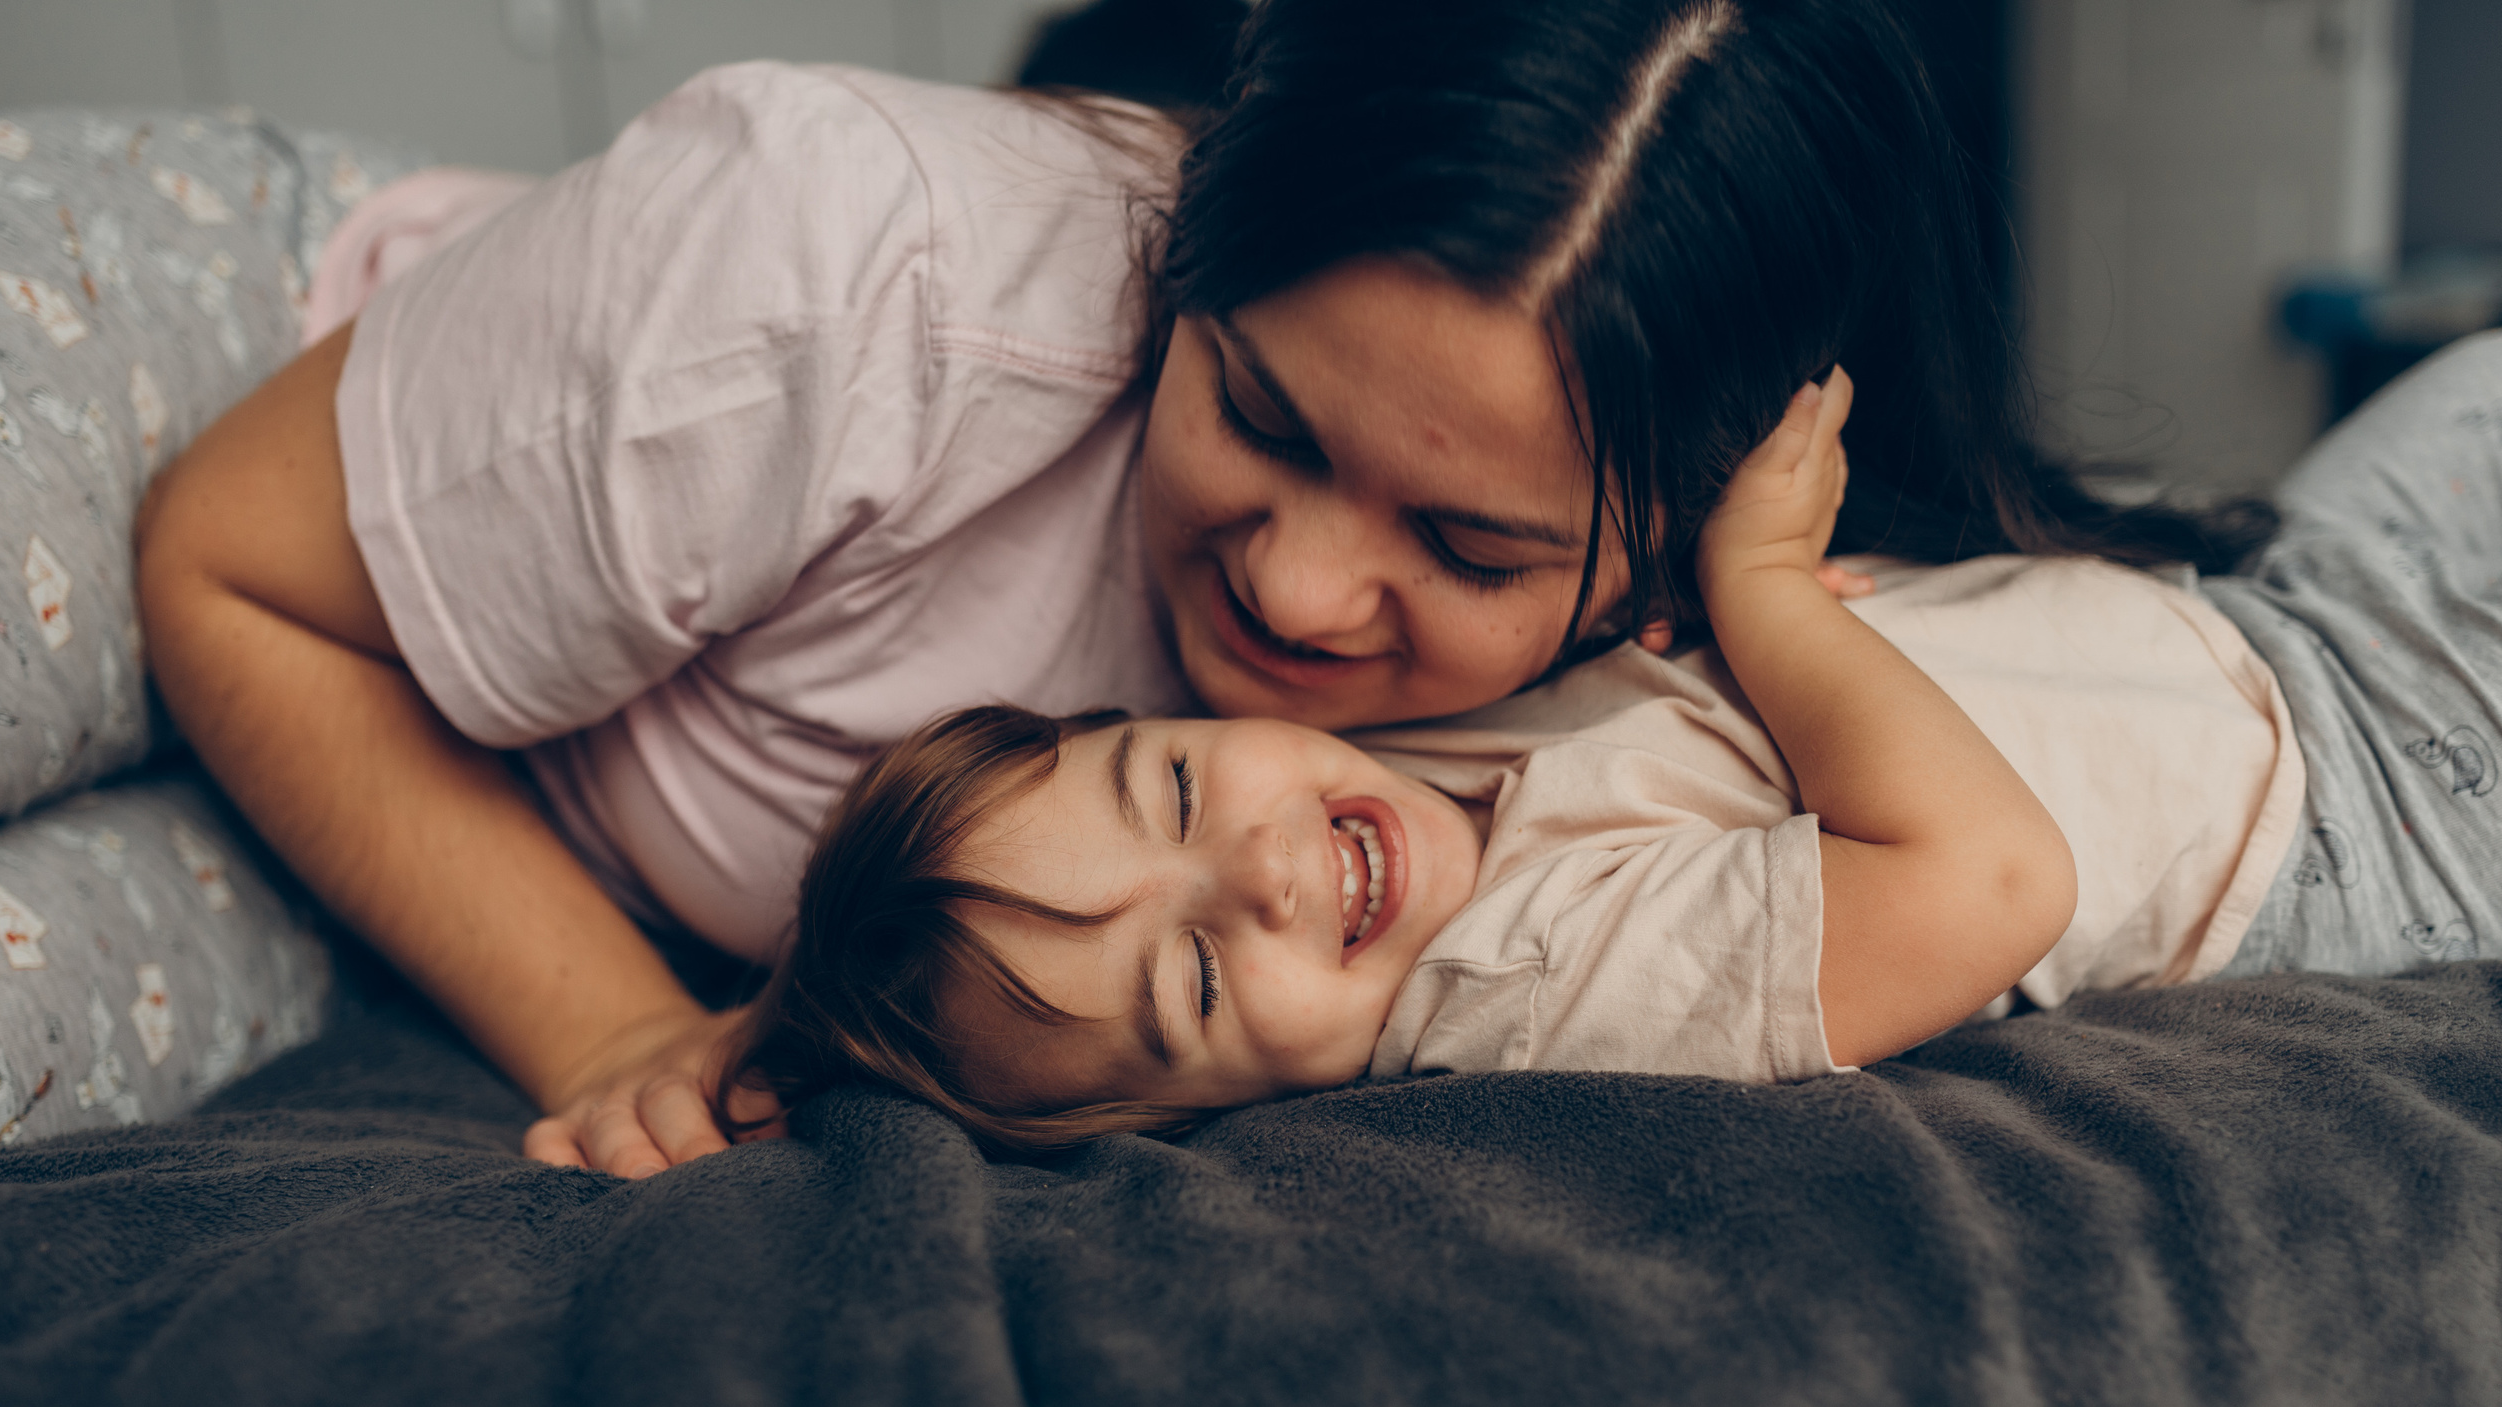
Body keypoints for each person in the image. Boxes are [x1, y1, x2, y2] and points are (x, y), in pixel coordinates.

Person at [133, 0, 2256, 1180]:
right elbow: (235, 566)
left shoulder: (1703, 656)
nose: (1307, 600)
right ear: (1197, 254)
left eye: (1472, 550)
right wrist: (616, 1028)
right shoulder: (829, 280)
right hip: (462, 426)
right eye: (1261, 416)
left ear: (1676, 554)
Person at [726, 338, 2502, 1152]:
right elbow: (1992, 879)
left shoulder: (1406, 753)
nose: (1261, 868)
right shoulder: (1527, 984)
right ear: (1185, 1122)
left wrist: (792, 1003)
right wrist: (1768, 591)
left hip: (2280, 611)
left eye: (1178, 789)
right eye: (1193, 979)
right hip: (2363, 811)